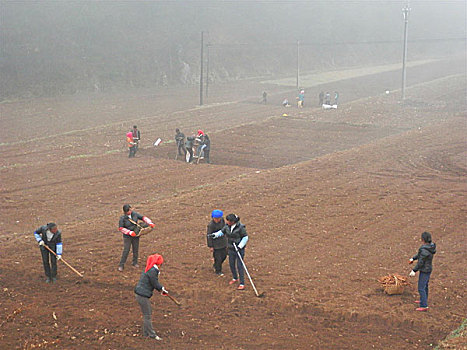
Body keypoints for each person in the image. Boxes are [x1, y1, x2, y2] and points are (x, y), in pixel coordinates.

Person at [134, 253, 168, 340]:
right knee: (147, 315)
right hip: (143, 295)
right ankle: (152, 334)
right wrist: (162, 289)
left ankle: (146, 333)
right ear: (159, 264)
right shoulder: (153, 271)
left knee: (147, 314)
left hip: (140, 294)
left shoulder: (150, 269)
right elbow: (155, 283)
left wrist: (161, 289)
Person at [118, 204, 155, 271]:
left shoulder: (134, 214)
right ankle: (121, 265)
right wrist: (129, 232)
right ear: (126, 212)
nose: (130, 211)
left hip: (136, 234)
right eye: (129, 210)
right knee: (126, 250)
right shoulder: (122, 219)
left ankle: (135, 262)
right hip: (127, 237)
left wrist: (150, 223)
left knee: (136, 249)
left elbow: (143, 217)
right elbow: (121, 228)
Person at [218, 214, 248, 290]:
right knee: (231, 264)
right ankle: (235, 278)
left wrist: (240, 246)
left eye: (229, 221)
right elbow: (222, 232)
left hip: (238, 249)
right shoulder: (227, 226)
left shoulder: (241, 227)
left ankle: (242, 283)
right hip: (231, 248)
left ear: (233, 221)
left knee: (239, 266)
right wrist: (214, 235)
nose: (227, 222)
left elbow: (245, 237)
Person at [409, 231, 436, 312]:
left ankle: (424, 305)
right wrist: (413, 258)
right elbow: (419, 255)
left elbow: (421, 262)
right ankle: (423, 300)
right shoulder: (429, 247)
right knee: (425, 286)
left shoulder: (424, 250)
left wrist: (414, 270)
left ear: (423, 239)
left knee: (421, 287)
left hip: (424, 270)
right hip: (428, 269)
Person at [206, 210, 227, 276]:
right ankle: (218, 270)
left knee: (224, 256)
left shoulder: (222, 221)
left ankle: (216, 265)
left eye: (218, 218)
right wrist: (211, 246)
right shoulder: (211, 225)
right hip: (216, 245)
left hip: (223, 242)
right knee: (218, 258)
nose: (217, 220)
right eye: (216, 218)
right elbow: (209, 236)